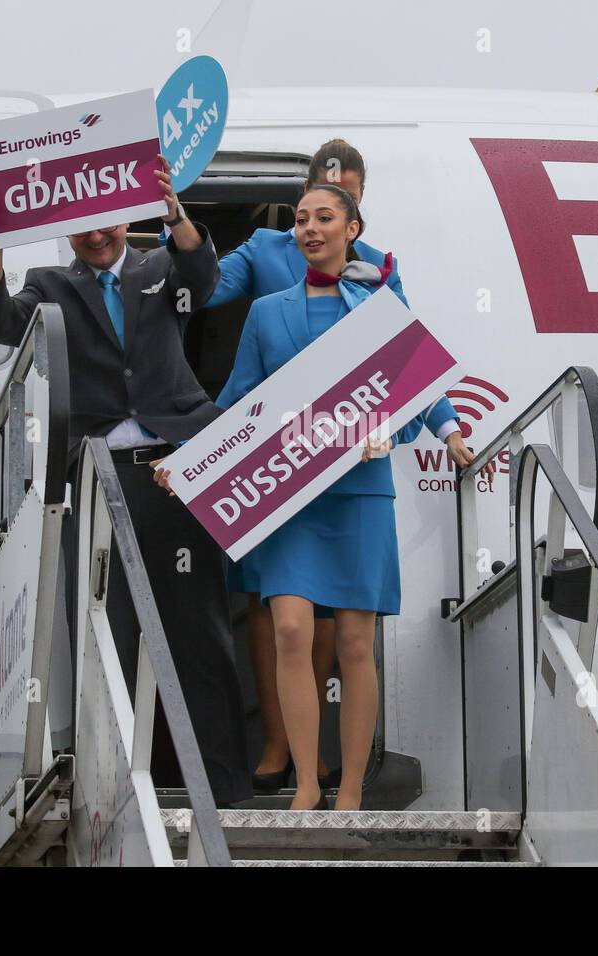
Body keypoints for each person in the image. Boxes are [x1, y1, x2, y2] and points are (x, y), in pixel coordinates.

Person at [0, 156, 252, 807]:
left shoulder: (160, 271)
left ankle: (223, 787)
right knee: (108, 636)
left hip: (176, 475)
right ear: (68, 234)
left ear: (128, 217)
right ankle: (127, 787)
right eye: (83, 230)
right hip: (97, 481)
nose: (97, 237)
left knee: (198, 630)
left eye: (108, 224)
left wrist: (174, 210)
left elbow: (202, 274)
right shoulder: (49, 284)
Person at [160, 184, 455, 811]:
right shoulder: (267, 312)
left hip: (359, 493)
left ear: (353, 229)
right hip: (288, 495)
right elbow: (239, 402)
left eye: (325, 218)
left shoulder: (380, 305)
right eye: (300, 220)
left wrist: (394, 431)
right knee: (290, 628)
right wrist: (190, 460)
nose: (309, 229)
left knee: (354, 642)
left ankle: (348, 791)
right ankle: (307, 781)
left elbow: (414, 390)